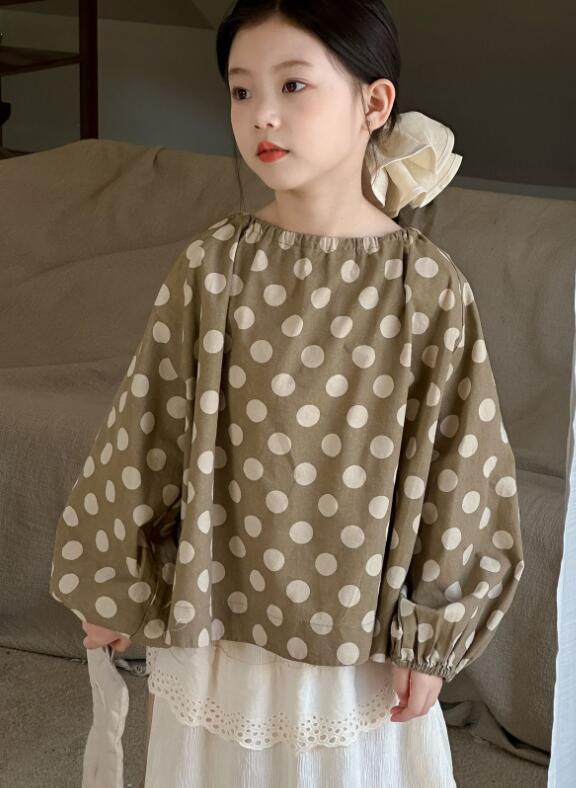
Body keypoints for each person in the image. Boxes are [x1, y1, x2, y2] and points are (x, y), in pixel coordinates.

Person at [50, 2, 525, 786]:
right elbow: (147, 429)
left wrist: (433, 638)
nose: (261, 114)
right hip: (217, 630)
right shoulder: (213, 267)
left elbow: (462, 466)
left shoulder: (427, 287)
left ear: (374, 103)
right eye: (242, 91)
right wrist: (114, 580)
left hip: (360, 641)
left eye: (293, 85)